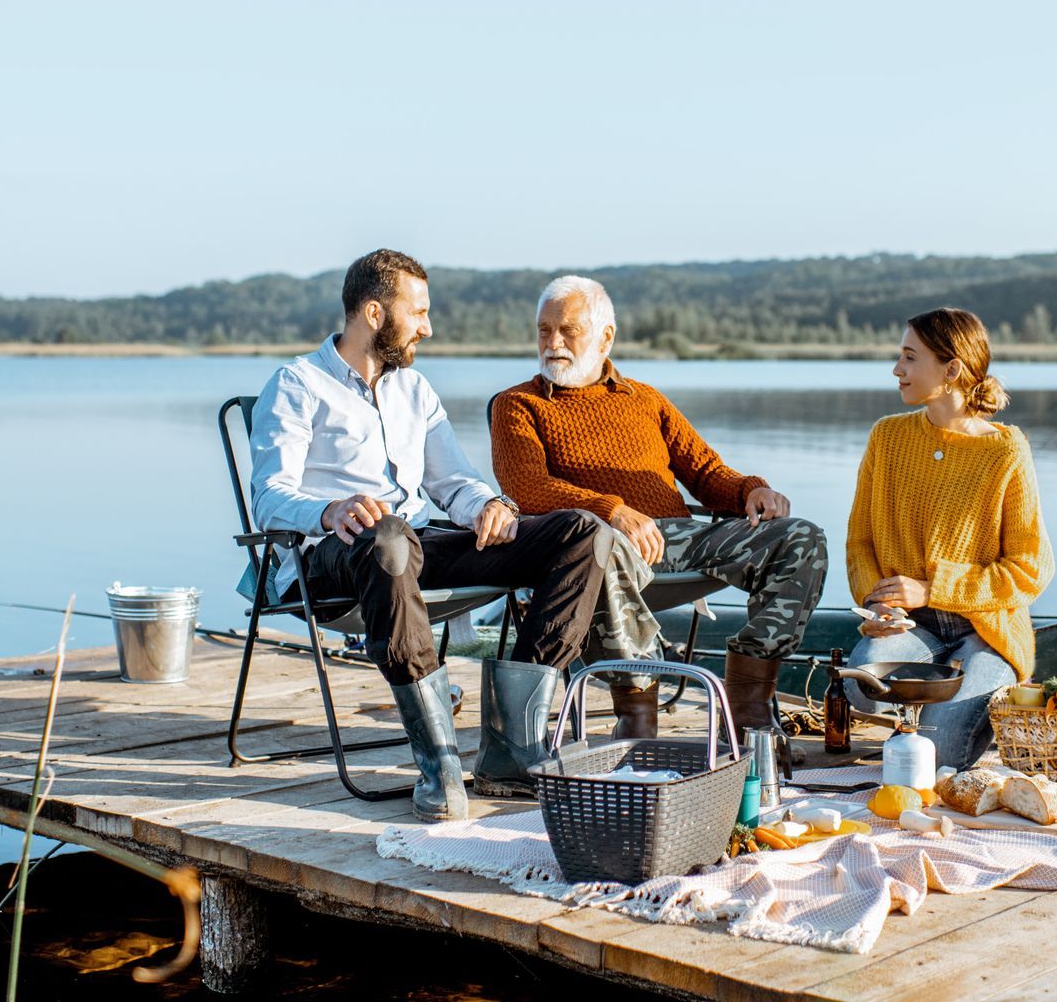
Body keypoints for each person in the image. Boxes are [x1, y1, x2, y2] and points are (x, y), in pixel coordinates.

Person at [248, 250, 611, 821]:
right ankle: (439, 761)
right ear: (374, 312)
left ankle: (514, 748)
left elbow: (454, 481)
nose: (427, 326)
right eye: (417, 312)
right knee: (387, 534)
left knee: (582, 533)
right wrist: (329, 510)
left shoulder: (414, 390)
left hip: (420, 543)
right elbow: (268, 497)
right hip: (336, 553)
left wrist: (486, 505)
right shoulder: (297, 385)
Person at [490, 275, 828, 739]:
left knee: (801, 538)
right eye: (544, 331)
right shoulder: (517, 406)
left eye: (568, 330)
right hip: (592, 546)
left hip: (676, 540)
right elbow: (527, 488)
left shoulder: (644, 399)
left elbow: (706, 472)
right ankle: (637, 718)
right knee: (598, 544)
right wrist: (612, 511)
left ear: (606, 337)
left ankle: (748, 708)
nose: (553, 343)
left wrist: (751, 490)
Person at [841, 307, 1054, 770]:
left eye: (910, 357)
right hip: (910, 623)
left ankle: (978, 690)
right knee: (861, 684)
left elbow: (1031, 568)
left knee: (940, 758)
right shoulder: (887, 437)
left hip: (985, 628)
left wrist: (934, 589)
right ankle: (938, 702)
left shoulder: (1005, 449)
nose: (897, 369)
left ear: (952, 368)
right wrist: (879, 604)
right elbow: (860, 542)